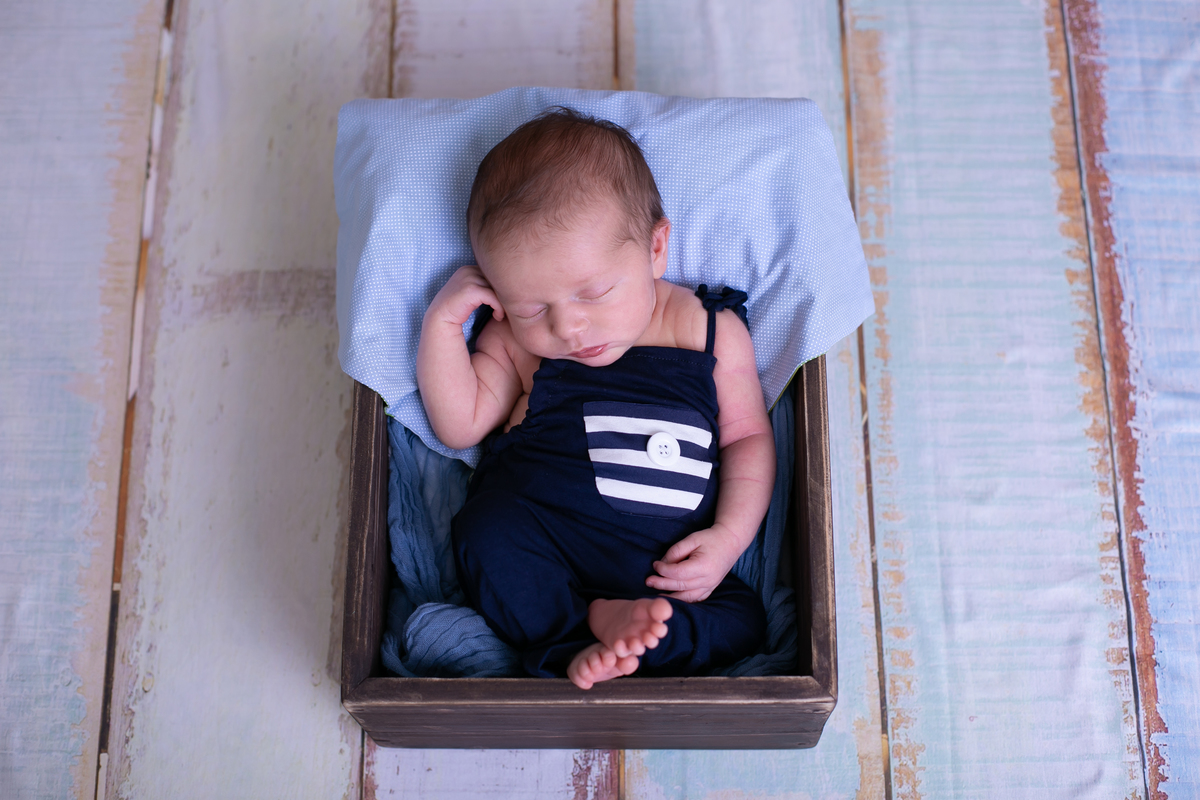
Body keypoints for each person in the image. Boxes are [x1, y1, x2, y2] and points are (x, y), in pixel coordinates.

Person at [416, 107, 774, 690]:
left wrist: (728, 539)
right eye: (532, 306)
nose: (567, 328)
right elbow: (460, 425)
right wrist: (442, 324)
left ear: (655, 249)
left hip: (659, 564)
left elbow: (748, 437)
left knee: (742, 620)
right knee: (485, 530)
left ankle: (633, 635)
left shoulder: (709, 331)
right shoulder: (515, 342)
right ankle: (578, 638)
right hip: (545, 530)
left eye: (594, 292)